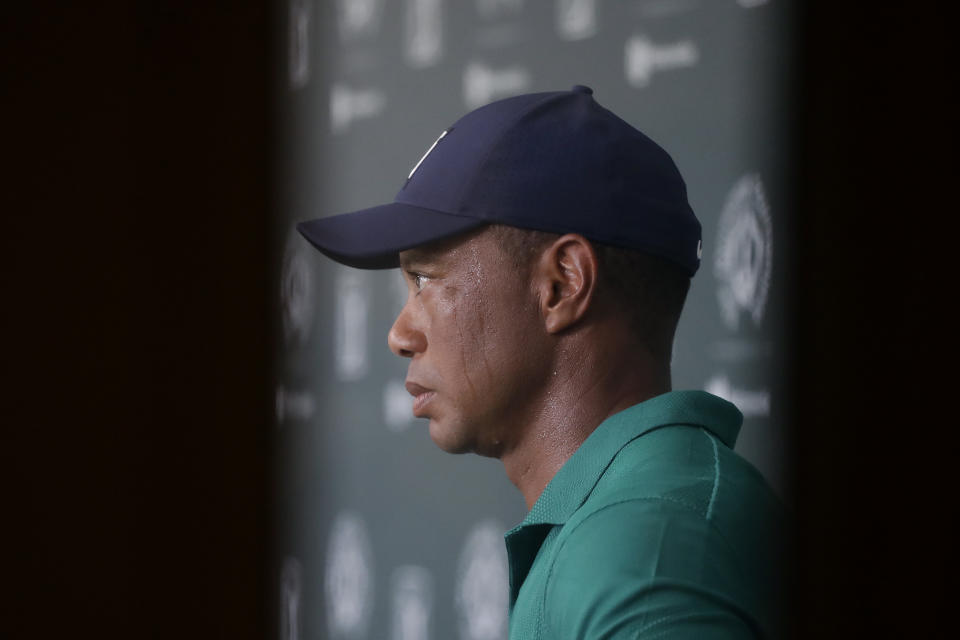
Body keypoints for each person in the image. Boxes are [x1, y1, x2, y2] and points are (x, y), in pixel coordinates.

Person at [297, 85, 787, 639]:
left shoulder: (642, 552)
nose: (399, 334)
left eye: (426, 279)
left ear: (561, 285)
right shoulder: (641, 518)